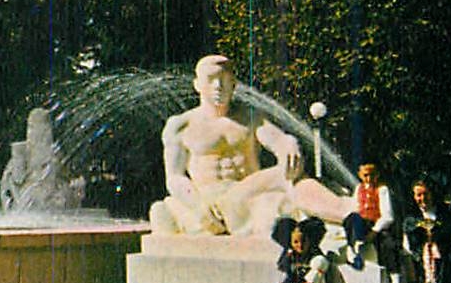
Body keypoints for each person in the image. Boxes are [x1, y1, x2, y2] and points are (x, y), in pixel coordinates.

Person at [150, 55, 352, 236]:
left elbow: (277, 139)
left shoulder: (250, 117)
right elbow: (175, 178)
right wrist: (198, 207)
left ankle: (347, 216)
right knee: (284, 181)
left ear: (234, 84)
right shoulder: (182, 125)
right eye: (211, 80)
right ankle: (347, 212)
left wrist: (288, 144)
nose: (218, 86)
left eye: (225, 80)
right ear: (197, 85)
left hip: (247, 193)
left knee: (287, 175)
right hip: (213, 202)